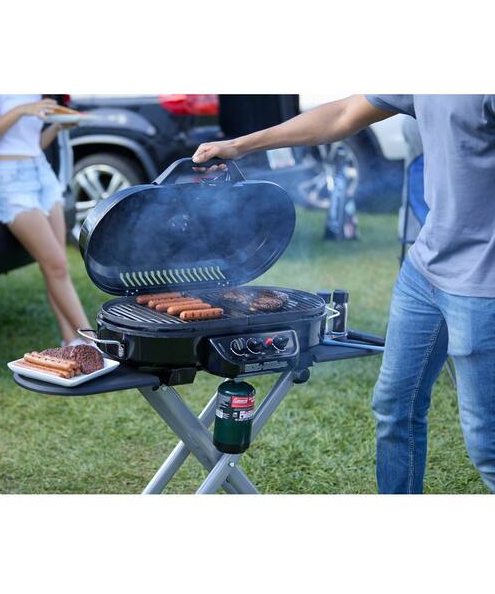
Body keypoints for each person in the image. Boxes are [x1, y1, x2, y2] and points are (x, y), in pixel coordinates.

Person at [193, 95, 495, 494]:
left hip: (482, 286)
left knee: (487, 443)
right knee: (395, 410)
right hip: (425, 270)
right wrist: (239, 145)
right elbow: (344, 114)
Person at [0, 95, 92, 346]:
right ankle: (93, 343)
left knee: (56, 268)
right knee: (56, 264)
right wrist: (22, 110)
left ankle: (72, 342)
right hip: (10, 179)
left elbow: (30, 145)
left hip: (41, 172)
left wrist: (57, 126)